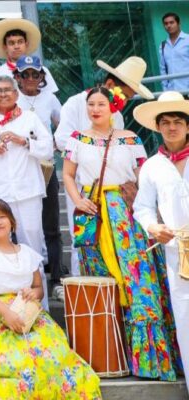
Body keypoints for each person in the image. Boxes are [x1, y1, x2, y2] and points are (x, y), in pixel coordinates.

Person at [63, 86, 182, 380]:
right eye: (91, 104)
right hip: (95, 216)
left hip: (127, 215)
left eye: (101, 104)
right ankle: (111, 355)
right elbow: (67, 174)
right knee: (103, 281)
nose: (95, 109)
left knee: (138, 279)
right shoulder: (77, 139)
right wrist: (78, 200)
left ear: (113, 107)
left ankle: (150, 361)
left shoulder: (131, 139)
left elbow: (145, 178)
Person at [0, 199, 101, 399]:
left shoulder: (27, 253)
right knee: (10, 362)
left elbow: (39, 289)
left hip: (28, 312)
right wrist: (7, 314)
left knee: (53, 357)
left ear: (12, 222)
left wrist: (33, 294)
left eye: (2, 217)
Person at [53, 56, 153, 276]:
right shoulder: (75, 105)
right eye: (125, 95)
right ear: (110, 85)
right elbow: (61, 140)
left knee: (126, 252)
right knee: (85, 244)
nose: (124, 100)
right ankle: (86, 290)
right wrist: (87, 145)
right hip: (85, 190)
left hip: (118, 195)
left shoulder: (123, 125)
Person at [0, 76, 52, 308]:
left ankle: (40, 308)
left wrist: (23, 141)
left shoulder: (30, 118)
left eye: (8, 90)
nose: (3, 94)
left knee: (32, 247)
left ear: (16, 94)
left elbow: (48, 149)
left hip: (27, 192)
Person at [133, 91, 189, 393]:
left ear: (187, 125)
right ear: (158, 127)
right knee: (185, 316)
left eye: (177, 121)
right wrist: (154, 227)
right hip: (177, 250)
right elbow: (141, 207)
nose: (171, 127)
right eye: (165, 122)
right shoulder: (152, 166)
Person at [12, 55, 64, 301]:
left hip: (45, 167)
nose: (31, 78)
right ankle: (23, 277)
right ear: (18, 77)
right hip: (21, 168)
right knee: (21, 225)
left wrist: (54, 143)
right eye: (26, 74)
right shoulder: (13, 99)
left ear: (42, 76)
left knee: (51, 224)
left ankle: (56, 277)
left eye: (35, 74)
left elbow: (62, 125)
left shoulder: (49, 98)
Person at [0, 19, 58, 101]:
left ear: (26, 44)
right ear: (5, 47)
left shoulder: (41, 70)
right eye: (11, 43)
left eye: (20, 42)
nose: (16, 46)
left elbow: (51, 99)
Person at [159, 12, 189, 92]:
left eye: (171, 22)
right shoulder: (163, 45)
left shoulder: (187, 40)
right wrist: (165, 90)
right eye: (166, 23)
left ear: (178, 23)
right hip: (172, 92)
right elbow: (163, 69)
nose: (168, 26)